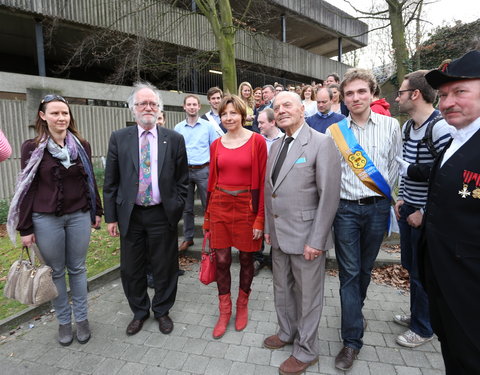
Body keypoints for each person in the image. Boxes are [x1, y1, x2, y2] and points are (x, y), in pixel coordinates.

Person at [7, 94, 103, 346]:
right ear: (43, 116)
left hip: (79, 215)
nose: (61, 117)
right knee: (56, 272)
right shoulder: (32, 147)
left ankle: (81, 319)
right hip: (46, 219)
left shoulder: (82, 145)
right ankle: (63, 321)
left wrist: (97, 212)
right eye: (55, 113)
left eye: (65, 113)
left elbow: (90, 180)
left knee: (78, 269)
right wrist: (25, 227)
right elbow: (27, 187)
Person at [325, 68, 401, 371]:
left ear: (372, 93)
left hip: (377, 208)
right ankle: (351, 341)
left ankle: (355, 312)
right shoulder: (336, 133)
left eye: (361, 92)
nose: (355, 98)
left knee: (365, 270)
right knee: (349, 273)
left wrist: (393, 199)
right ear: (343, 98)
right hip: (345, 210)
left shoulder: (391, 125)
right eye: (349, 93)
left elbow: (395, 165)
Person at [263, 91, 341, 375]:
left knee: (308, 296)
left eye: (287, 105)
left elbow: (329, 196)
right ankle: (286, 333)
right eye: (276, 107)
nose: (281, 110)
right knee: (282, 289)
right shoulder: (276, 145)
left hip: (307, 237)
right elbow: (269, 190)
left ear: (302, 110)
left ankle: (307, 350)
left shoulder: (322, 144)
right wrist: (269, 229)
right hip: (280, 235)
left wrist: (317, 240)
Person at [103, 82, 188, 337]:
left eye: (153, 103)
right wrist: (111, 217)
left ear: (159, 108)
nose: (148, 107)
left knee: (165, 267)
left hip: (162, 213)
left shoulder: (174, 139)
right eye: (143, 103)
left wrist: (177, 205)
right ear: (133, 109)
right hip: (131, 214)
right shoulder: (119, 138)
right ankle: (139, 312)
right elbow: (110, 182)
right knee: (131, 269)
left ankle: (162, 310)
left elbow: (183, 180)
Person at [420, 50, 480, 374]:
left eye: (460, 92)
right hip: (443, 285)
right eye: (443, 95)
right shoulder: (454, 141)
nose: (447, 103)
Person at [393, 70, 452, 348]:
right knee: (412, 267)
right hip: (408, 210)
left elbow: (447, 176)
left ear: (415, 94)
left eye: (401, 92)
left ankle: (424, 327)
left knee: (423, 272)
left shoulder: (439, 128)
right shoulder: (408, 127)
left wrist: (424, 212)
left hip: (424, 215)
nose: (398, 97)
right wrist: (402, 198)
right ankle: (418, 314)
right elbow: (406, 168)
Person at [203, 95, 267, 339]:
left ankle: (242, 305)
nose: (228, 118)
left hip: (246, 207)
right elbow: (211, 183)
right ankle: (224, 310)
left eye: (233, 113)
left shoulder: (257, 142)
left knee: (247, 259)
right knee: (221, 260)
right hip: (219, 204)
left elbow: (262, 184)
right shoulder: (217, 144)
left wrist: (259, 219)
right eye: (224, 114)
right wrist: (208, 217)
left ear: (242, 114)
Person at [175, 94, 219, 252]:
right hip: (185, 172)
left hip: (203, 170)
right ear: (184, 107)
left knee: (209, 206)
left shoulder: (208, 127)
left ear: (199, 107)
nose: (192, 107)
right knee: (187, 208)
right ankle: (188, 238)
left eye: (195, 104)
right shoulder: (178, 128)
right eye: (189, 104)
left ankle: (212, 237)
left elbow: (215, 149)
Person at [253, 108, 282, 275]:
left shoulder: (285, 139)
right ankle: (257, 257)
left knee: (276, 220)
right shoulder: (257, 140)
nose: (259, 126)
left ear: (272, 122)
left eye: (262, 122)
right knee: (259, 219)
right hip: (260, 186)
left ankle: (273, 258)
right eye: (258, 122)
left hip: (278, 188)